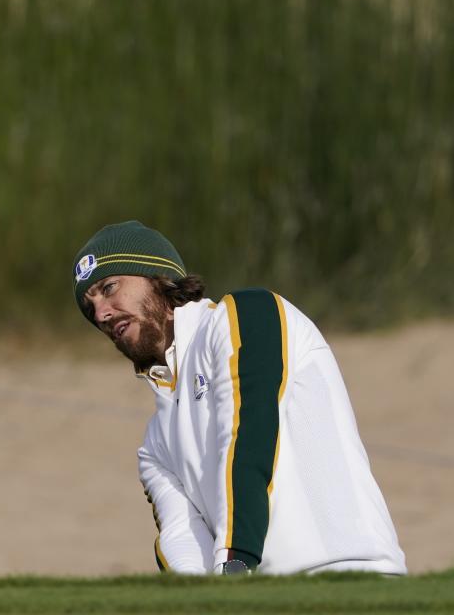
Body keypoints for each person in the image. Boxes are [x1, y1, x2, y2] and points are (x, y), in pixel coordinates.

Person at [72, 220, 406, 575]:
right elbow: (182, 537)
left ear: (158, 276)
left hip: (350, 577)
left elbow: (249, 436)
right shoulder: (153, 446)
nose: (102, 314)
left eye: (109, 288)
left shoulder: (246, 314)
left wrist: (234, 567)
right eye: (91, 309)